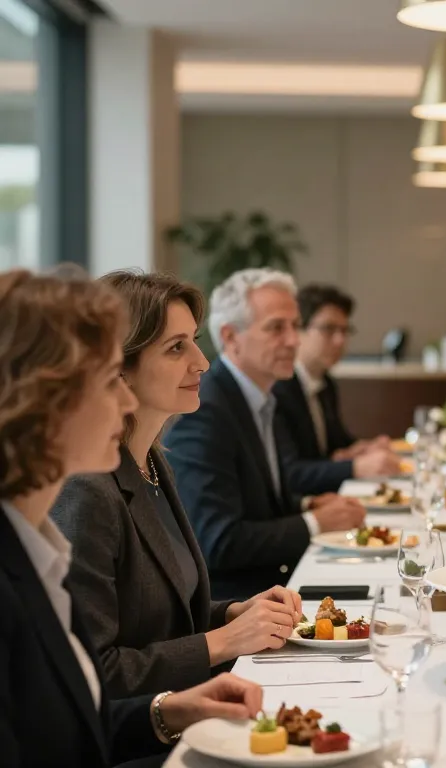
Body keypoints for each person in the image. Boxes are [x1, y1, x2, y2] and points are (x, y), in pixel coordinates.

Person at [0, 267, 263, 767]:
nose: (123, 399)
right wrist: (218, 642)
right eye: (106, 379)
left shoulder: (40, 547)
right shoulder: (80, 497)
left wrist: (168, 712)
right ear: (38, 401)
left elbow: (76, 719)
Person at [50, 271, 303, 699]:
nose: (202, 362)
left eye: (194, 340)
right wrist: (222, 641)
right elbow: (96, 672)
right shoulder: (87, 490)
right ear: (119, 366)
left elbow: (165, 615)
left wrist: (233, 614)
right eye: (176, 348)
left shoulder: (151, 461)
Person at [164, 269, 365, 600]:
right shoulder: (206, 412)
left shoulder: (259, 397)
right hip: (240, 604)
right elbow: (218, 541)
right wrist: (314, 521)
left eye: (295, 325)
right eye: (276, 328)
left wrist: (305, 503)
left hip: (276, 584)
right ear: (230, 337)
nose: (293, 340)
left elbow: (254, 501)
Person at [273, 283, 400, 494]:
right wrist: (356, 466)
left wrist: (362, 448)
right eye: (328, 329)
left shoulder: (325, 383)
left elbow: (336, 445)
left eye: (344, 330)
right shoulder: (278, 389)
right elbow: (290, 473)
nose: (340, 340)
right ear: (299, 330)